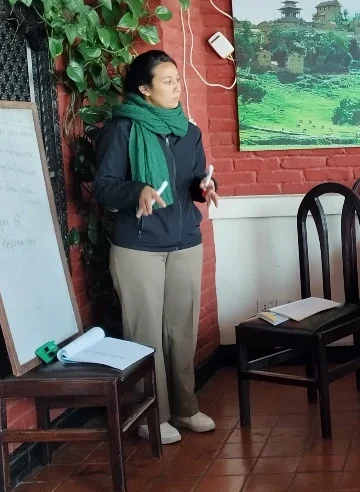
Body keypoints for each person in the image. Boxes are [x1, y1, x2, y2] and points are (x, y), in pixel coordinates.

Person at [93, 50, 220, 445]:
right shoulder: (123, 129)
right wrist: (138, 190)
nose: (176, 87)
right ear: (144, 90)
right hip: (139, 246)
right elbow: (103, 186)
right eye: (167, 81)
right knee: (144, 332)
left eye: (177, 79)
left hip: (184, 240)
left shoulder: (188, 131)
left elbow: (196, 179)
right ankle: (152, 415)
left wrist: (206, 187)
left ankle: (185, 409)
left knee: (180, 331)